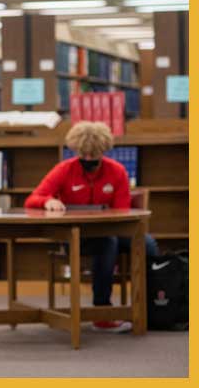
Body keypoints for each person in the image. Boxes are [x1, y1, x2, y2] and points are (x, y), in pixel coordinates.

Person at [25, 121, 157, 333]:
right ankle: (102, 311)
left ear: (103, 151)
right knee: (108, 243)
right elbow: (33, 198)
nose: (87, 160)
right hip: (76, 235)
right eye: (83, 155)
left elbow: (122, 211)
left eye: (92, 156)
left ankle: (152, 306)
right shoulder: (64, 170)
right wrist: (47, 201)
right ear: (76, 150)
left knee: (147, 244)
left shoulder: (117, 172)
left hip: (111, 230)